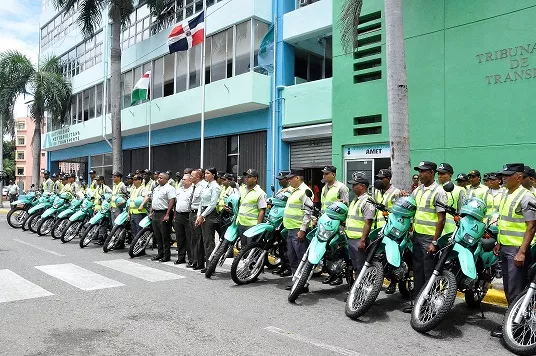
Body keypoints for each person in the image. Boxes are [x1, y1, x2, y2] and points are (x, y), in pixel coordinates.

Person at [490, 163, 536, 338]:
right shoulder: (507, 195)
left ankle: (517, 329)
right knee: (510, 289)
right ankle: (513, 325)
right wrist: (499, 243)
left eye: (508, 175)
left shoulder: (526, 197)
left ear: (518, 177)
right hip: (506, 248)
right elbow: (505, 223)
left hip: (517, 250)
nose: (504, 178)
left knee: (516, 290)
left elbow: (531, 227)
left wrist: (522, 251)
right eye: (503, 175)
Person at [403, 161, 447, 313]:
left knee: (430, 272)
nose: (420, 174)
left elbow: (441, 218)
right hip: (417, 236)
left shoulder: (439, 192)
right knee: (418, 270)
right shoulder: (418, 191)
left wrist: (435, 241)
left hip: (429, 238)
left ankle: (429, 304)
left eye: (423, 172)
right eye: (419, 171)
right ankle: (417, 302)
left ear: (432, 173)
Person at [372, 168, 402, 293]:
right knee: (378, 256)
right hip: (378, 227)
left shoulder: (396, 193)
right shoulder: (376, 192)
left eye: (382, 178)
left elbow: (398, 211)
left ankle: (393, 282)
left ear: (389, 179)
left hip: (391, 229)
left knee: (392, 255)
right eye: (378, 178)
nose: (379, 180)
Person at [283, 170, 313, 292]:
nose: (288, 181)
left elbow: (308, 212)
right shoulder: (294, 190)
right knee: (292, 257)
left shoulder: (305, 192)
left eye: (291, 178)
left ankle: (303, 284)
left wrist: (303, 229)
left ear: (297, 178)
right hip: (290, 229)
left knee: (301, 258)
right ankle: (296, 281)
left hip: (298, 230)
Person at [345, 172, 375, 276]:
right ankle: (357, 290)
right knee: (356, 266)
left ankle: (361, 290)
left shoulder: (367, 201)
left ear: (362, 186)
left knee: (361, 268)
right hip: (351, 239)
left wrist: (363, 240)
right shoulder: (355, 200)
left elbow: (368, 222)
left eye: (354, 185)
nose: (352, 187)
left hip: (359, 240)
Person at [196, 167, 222, 273]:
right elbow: (201, 201)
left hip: (210, 215)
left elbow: (212, 204)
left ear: (213, 175)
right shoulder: (207, 186)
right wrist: (199, 215)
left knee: (209, 242)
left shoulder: (215, 187)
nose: (205, 175)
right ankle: (208, 265)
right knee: (205, 241)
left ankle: (211, 266)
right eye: (205, 173)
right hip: (203, 213)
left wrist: (203, 215)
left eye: (208, 173)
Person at [236, 169, 268, 247]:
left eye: (249, 177)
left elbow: (262, 211)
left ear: (255, 179)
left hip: (252, 225)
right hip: (241, 223)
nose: (246, 178)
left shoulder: (260, 193)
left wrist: (258, 226)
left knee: (250, 247)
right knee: (243, 248)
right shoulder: (242, 189)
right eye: (246, 176)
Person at [150, 172, 176, 262]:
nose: (159, 179)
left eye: (161, 178)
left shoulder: (169, 188)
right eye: (159, 178)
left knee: (164, 236)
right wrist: (151, 212)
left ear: (166, 179)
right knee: (157, 236)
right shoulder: (156, 188)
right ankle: (160, 254)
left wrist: (167, 214)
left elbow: (171, 201)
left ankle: (166, 255)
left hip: (164, 213)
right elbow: (154, 201)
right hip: (156, 213)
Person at [436, 163, 466, 234]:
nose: (440, 176)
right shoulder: (435, 190)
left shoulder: (459, 190)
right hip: (434, 230)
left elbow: (462, 213)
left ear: (450, 175)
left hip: (451, 231)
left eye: (443, 174)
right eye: (439, 174)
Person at [189, 169, 208, 270]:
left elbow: (202, 202)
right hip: (191, 213)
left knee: (199, 239)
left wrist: (199, 215)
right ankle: (195, 260)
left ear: (198, 177)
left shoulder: (203, 186)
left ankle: (200, 263)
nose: (190, 178)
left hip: (198, 213)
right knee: (194, 239)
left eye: (192, 176)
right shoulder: (194, 186)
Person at [174, 174, 193, 265]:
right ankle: (181, 257)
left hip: (188, 215)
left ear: (190, 180)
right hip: (178, 215)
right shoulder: (179, 190)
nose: (182, 180)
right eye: (182, 179)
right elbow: (176, 203)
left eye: (185, 179)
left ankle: (191, 258)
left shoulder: (193, 190)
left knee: (189, 238)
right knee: (180, 237)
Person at [94, 175, 113, 244]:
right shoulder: (97, 187)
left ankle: (102, 238)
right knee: (97, 223)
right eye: (96, 180)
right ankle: (98, 237)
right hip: (96, 208)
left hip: (103, 209)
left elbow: (110, 195)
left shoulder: (106, 188)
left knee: (102, 224)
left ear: (102, 180)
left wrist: (103, 200)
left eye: (98, 180)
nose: (97, 181)